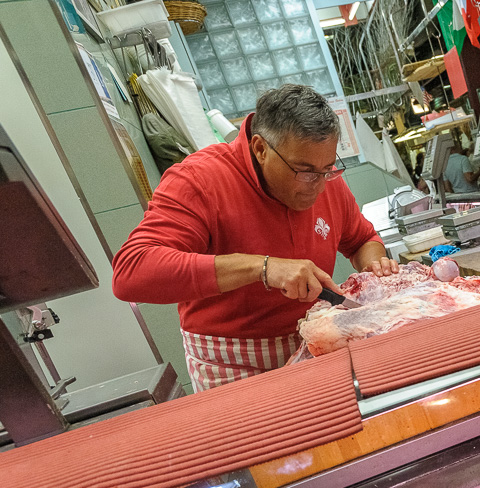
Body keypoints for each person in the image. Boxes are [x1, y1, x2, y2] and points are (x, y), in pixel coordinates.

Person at [112, 84, 401, 391]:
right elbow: (132, 272)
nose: (318, 185)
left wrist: (375, 267)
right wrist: (262, 267)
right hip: (232, 360)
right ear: (261, 148)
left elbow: (361, 240)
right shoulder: (199, 180)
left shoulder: (325, 181)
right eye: (304, 171)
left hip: (315, 339)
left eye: (327, 169)